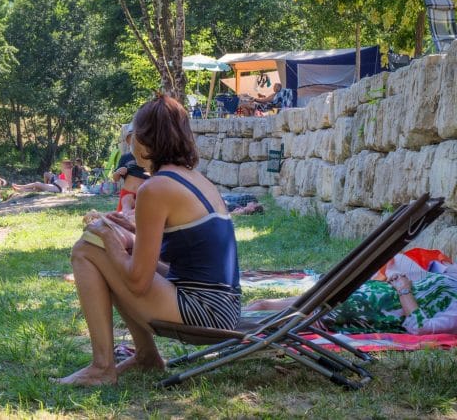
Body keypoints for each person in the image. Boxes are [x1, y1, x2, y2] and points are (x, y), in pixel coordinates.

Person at [57, 94, 240, 386]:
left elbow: (138, 281)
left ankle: (102, 367)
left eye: (133, 136)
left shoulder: (155, 188)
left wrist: (106, 236)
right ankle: (145, 356)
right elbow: (178, 249)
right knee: (106, 248)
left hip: (204, 311)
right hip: (223, 305)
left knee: (86, 249)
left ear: (143, 142)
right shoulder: (193, 178)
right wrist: (126, 233)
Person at [245, 271, 457, 335]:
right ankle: (228, 320)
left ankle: (225, 327)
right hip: (351, 294)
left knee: (284, 318)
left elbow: (419, 327)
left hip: (360, 312)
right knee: (263, 304)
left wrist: (404, 289)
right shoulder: (452, 275)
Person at [112, 125, 149, 215]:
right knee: (122, 218)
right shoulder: (125, 157)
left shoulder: (149, 157)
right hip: (127, 193)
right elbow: (115, 178)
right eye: (131, 140)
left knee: (140, 219)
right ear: (128, 142)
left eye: (137, 140)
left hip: (144, 195)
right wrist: (118, 172)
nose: (134, 142)